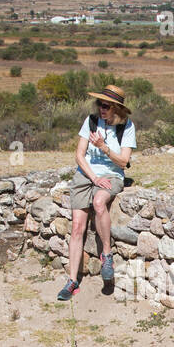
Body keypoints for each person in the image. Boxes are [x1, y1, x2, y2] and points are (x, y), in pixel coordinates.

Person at [57, 85, 136, 300]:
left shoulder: (126, 127)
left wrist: (104, 147)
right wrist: (93, 178)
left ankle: (106, 255)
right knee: (76, 227)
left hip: (111, 175)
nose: (102, 109)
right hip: (87, 175)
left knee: (100, 203)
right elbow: (79, 155)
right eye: (100, 104)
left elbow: (124, 161)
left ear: (116, 109)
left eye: (107, 106)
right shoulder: (91, 121)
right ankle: (72, 281)